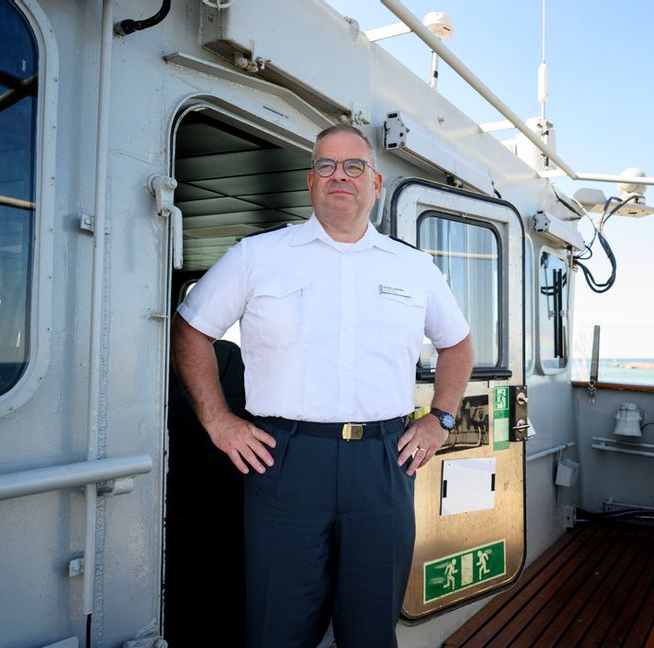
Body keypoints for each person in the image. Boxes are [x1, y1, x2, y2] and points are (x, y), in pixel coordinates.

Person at [171, 123, 473, 648]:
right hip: (284, 461)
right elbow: (191, 329)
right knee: (276, 628)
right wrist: (219, 421)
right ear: (310, 182)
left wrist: (439, 419)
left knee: (372, 629)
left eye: (354, 166)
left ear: (376, 183)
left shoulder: (415, 267)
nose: (341, 177)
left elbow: (458, 345)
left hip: (384, 462)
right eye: (327, 167)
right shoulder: (257, 255)